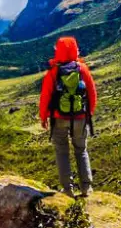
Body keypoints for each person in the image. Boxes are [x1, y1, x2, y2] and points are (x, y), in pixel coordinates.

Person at [39, 36, 97, 198]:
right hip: (80, 117)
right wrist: (89, 112)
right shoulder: (83, 69)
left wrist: (43, 118)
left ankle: (68, 189)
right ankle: (86, 187)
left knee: (62, 152)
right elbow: (92, 93)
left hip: (58, 119)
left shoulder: (53, 72)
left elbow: (45, 97)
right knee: (81, 149)